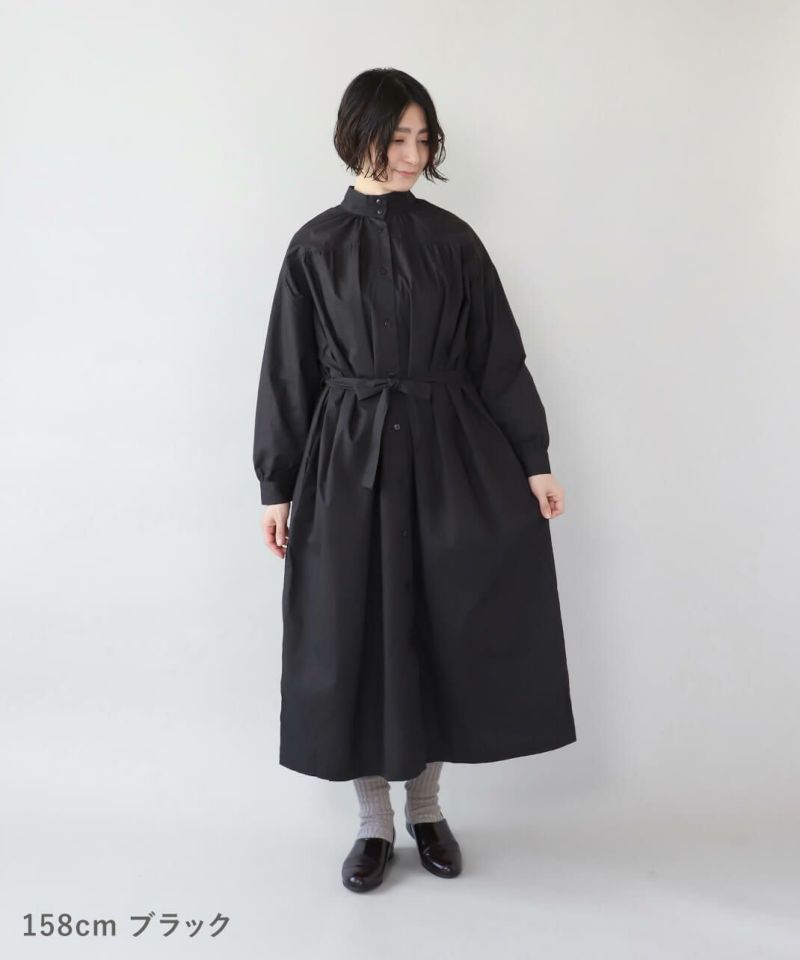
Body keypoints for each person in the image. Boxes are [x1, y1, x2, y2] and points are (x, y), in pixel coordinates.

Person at [253, 68, 577, 893]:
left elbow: (497, 356)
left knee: (440, 625)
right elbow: (288, 373)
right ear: (355, 133)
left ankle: (428, 809)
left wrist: (533, 458)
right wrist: (276, 486)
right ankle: (374, 823)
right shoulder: (315, 247)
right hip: (347, 463)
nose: (411, 153)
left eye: (422, 138)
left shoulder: (453, 240)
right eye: (396, 136)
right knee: (354, 633)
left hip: (449, 455)